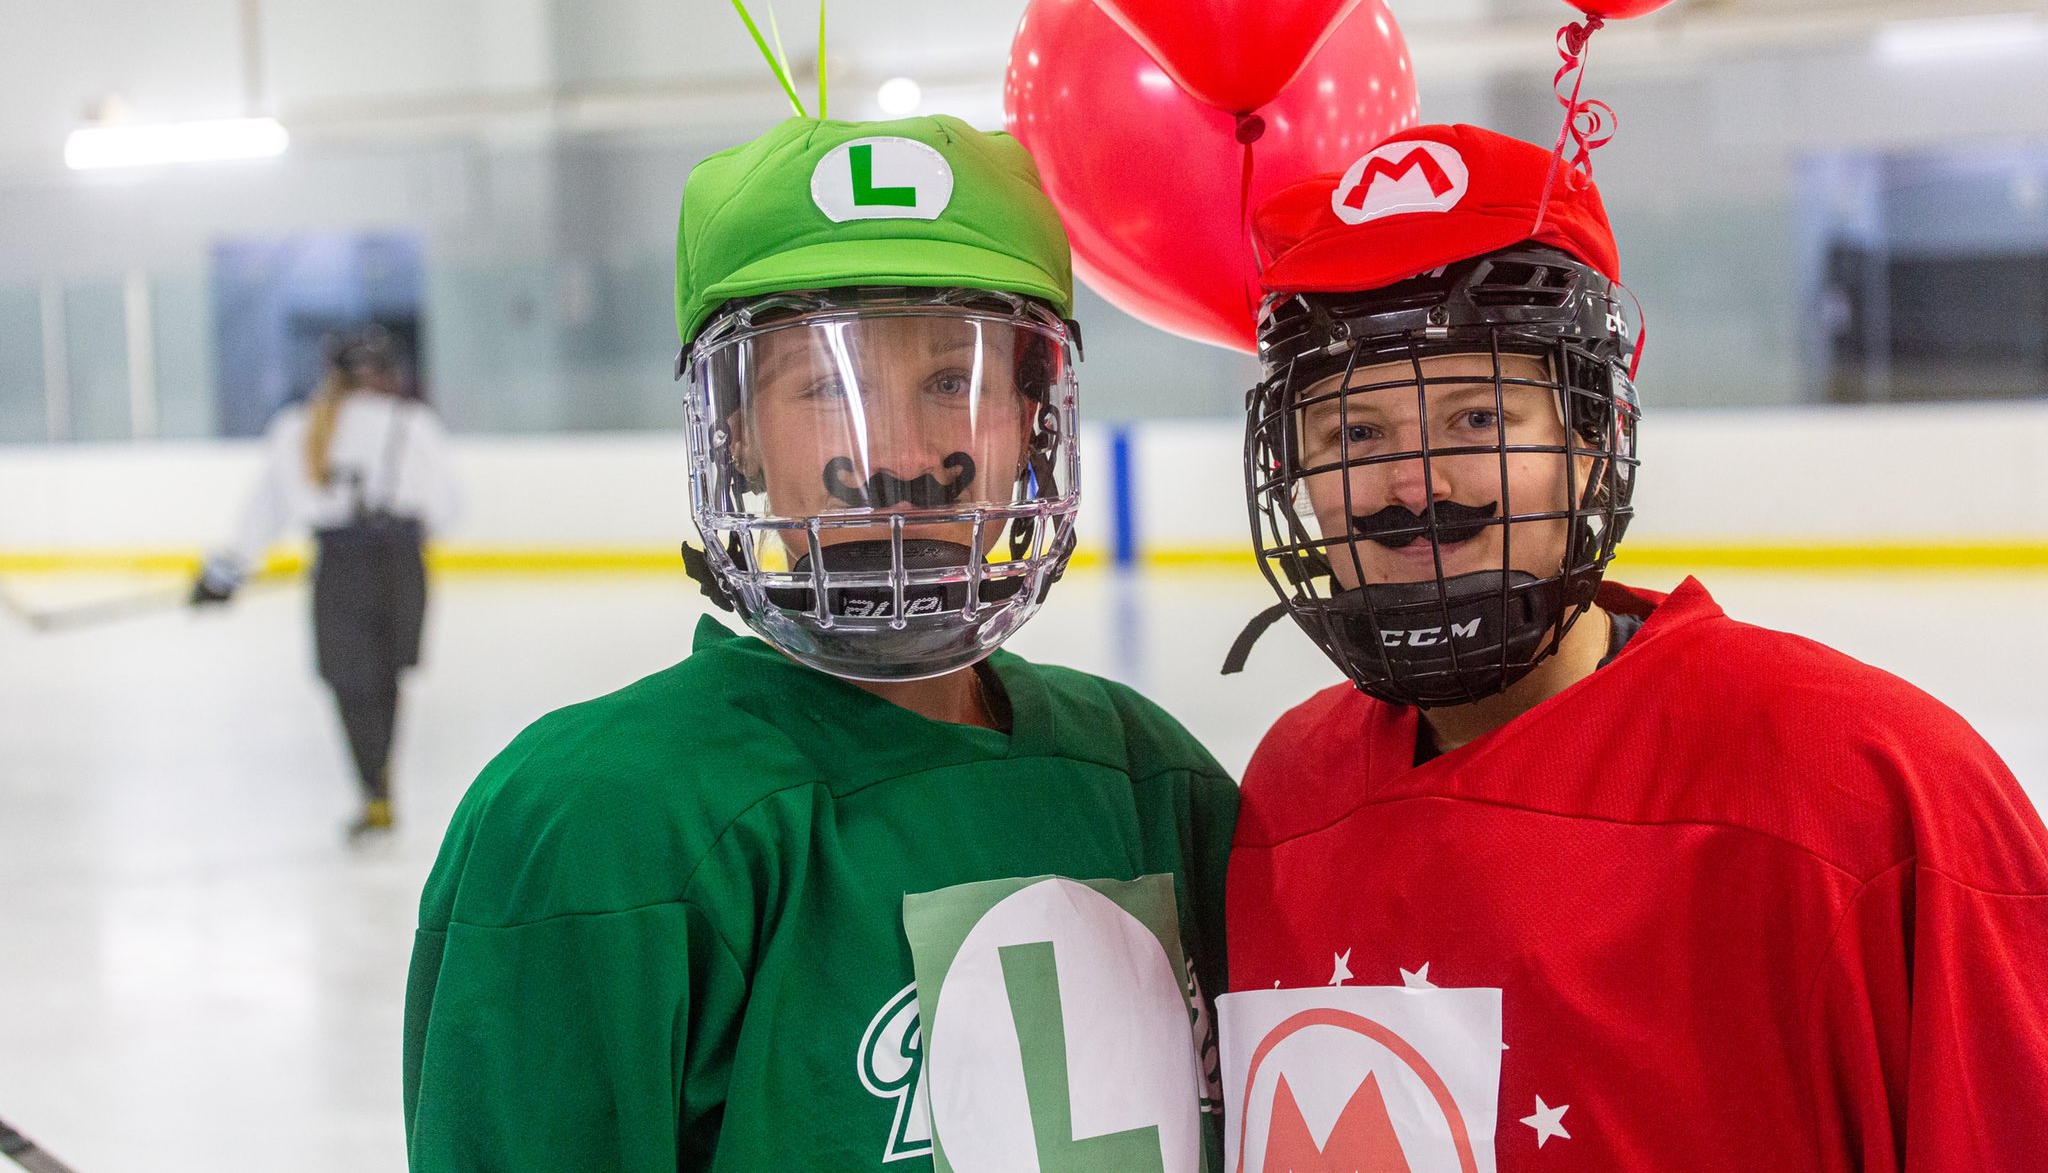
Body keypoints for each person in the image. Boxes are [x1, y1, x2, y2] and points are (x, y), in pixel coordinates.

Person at [403, 116, 1235, 1172]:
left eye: (952, 380)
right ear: (735, 430)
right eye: (826, 386)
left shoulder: (1142, 773)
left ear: (1034, 415)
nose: (896, 456)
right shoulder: (595, 822)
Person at [1223, 123, 2048, 1169]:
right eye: (1353, 435)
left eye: (1476, 416)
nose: (1411, 484)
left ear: (1590, 437)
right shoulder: (1286, 797)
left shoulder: (1863, 787)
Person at [194, 325, 457, 840]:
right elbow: (448, 510)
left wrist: (223, 577)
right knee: (386, 680)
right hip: (402, 567)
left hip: (339, 569)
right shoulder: (416, 424)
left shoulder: (299, 428)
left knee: (349, 684)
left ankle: (371, 788)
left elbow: (263, 514)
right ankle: (381, 782)